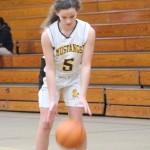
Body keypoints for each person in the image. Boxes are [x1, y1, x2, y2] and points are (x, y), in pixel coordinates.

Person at [36, 0, 95, 149]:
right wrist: (52, 100)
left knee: (77, 125)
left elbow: (86, 65)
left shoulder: (87, 31)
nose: (68, 21)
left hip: (74, 77)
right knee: (45, 123)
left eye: (72, 16)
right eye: (64, 17)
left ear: (77, 12)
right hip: (52, 77)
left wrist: (82, 95)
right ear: (56, 13)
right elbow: (49, 69)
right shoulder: (48, 34)